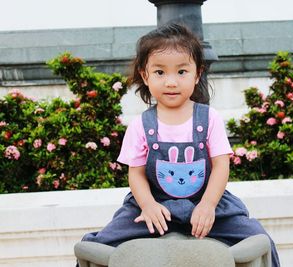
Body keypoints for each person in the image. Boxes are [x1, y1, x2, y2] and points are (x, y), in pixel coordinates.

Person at [82, 23, 280, 266]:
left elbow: (220, 165)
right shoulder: (140, 125)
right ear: (145, 75)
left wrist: (208, 206)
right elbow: (136, 174)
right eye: (160, 72)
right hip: (155, 203)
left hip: (206, 202)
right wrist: (148, 206)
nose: (171, 82)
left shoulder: (209, 118)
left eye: (182, 72)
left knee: (259, 239)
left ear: (197, 74)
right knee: (99, 243)